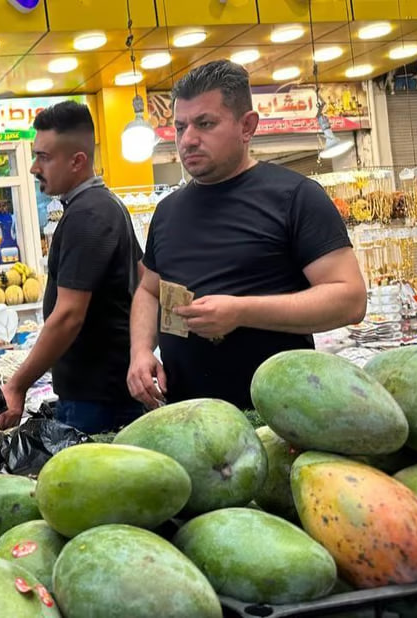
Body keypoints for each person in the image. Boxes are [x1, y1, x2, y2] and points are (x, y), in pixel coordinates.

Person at [127, 60, 366, 412]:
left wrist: (241, 312)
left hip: (278, 417)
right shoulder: (167, 212)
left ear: (247, 126)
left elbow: (350, 300)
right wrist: (141, 351)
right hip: (186, 415)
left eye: (205, 124)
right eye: (180, 127)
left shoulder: (295, 197)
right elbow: (150, 291)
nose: (188, 139)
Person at [0, 101, 143, 433]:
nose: (34, 168)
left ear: (77, 161)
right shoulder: (105, 204)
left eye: (43, 157)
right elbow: (144, 281)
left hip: (97, 400)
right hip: (106, 391)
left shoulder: (87, 215)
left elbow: (68, 315)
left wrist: (17, 386)